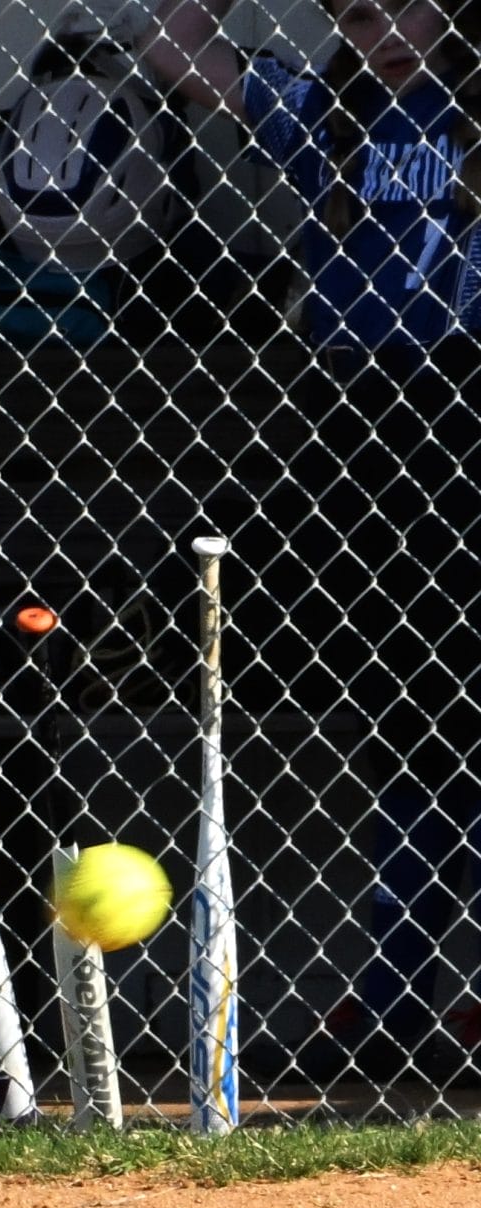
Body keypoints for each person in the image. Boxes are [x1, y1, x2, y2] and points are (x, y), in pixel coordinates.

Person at [139, 0, 481, 1082]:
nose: (383, 30)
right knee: (402, 710)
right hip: (361, 419)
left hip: (467, 396)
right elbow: (171, 43)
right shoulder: (327, 107)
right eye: (356, 8)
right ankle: (393, 989)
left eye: (407, 7)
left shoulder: (466, 107)